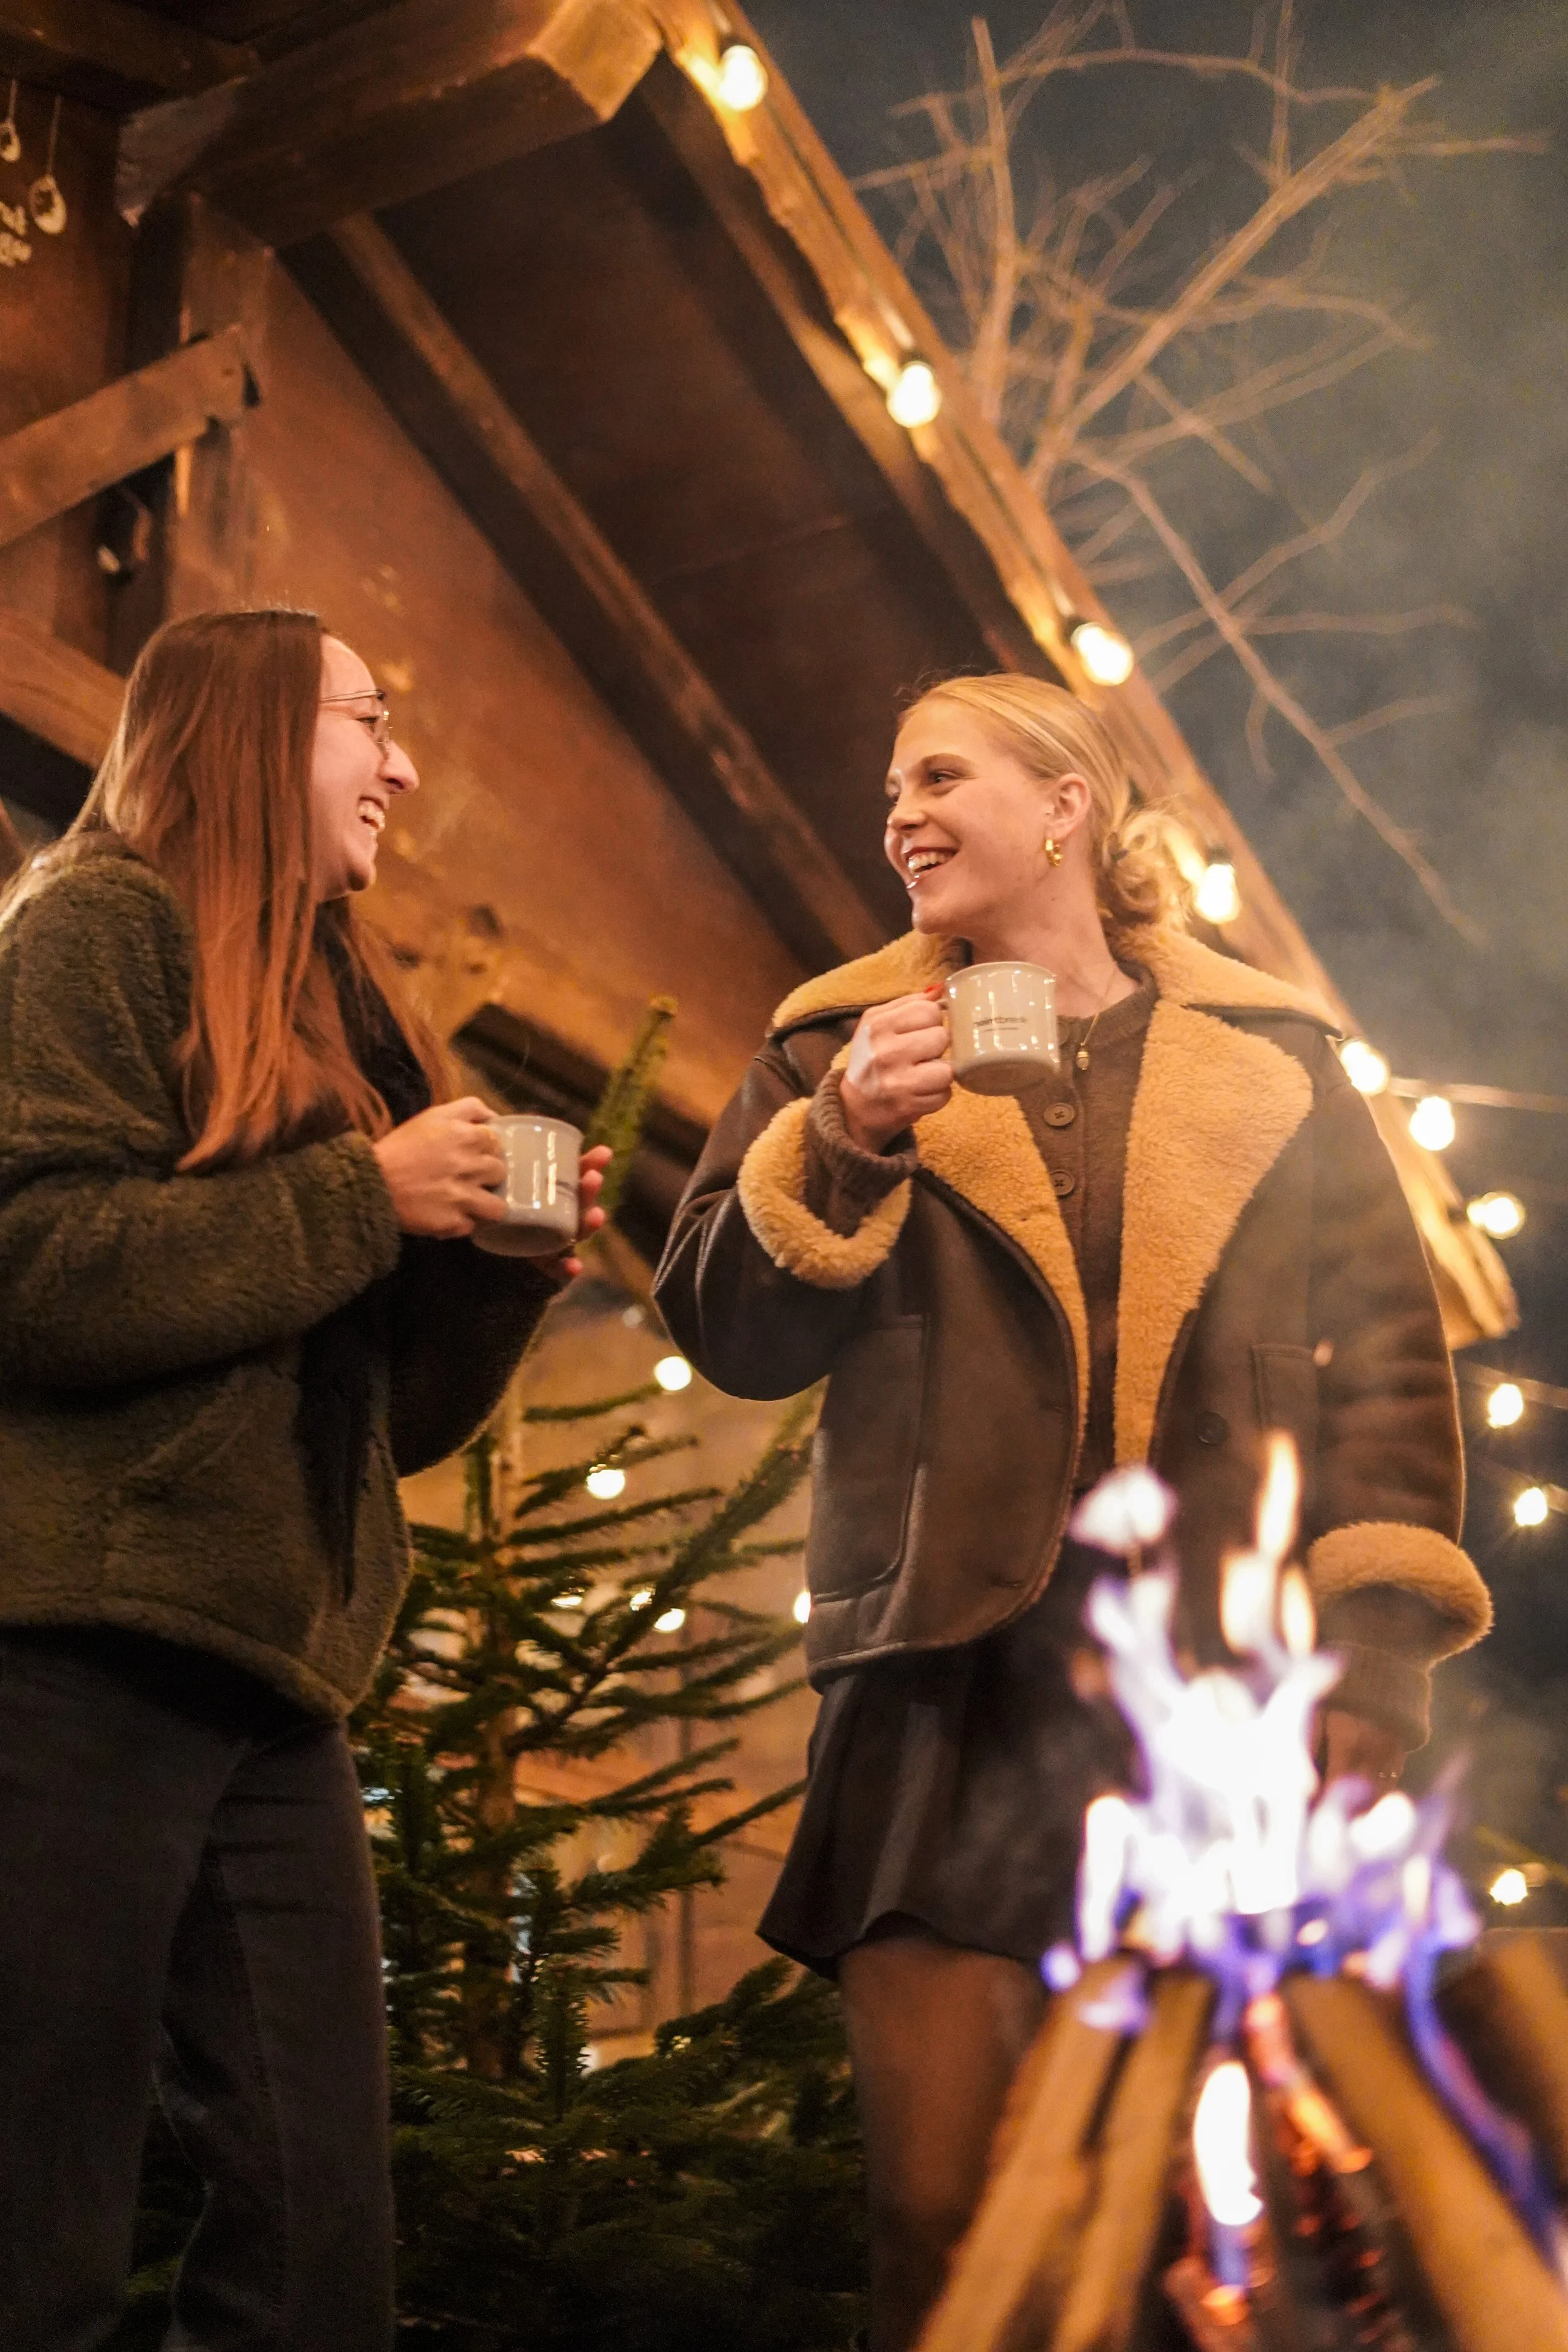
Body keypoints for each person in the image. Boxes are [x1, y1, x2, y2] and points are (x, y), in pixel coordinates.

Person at [654, 672, 1491, 2352]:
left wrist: (1377, 1657)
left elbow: (1390, 1374)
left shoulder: (1279, 1064)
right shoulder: (835, 1044)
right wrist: (841, 1139)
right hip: (940, 1687)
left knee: (1189, 2221)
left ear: (1066, 806)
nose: (899, 815)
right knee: (943, 2211)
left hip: (1214, 1697)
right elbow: (724, 1327)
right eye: (889, 789)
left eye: (938, 776)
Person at [0, 608, 609, 2351]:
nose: (401, 766)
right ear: (257, 733)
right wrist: (365, 1197)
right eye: (367, 719)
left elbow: (384, 1426)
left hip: (277, 1680)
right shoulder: (95, 922)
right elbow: (36, 1269)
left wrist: (489, 1282)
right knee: (36, 2228)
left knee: (320, 2248)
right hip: (71, 1649)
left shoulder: (344, 1007)